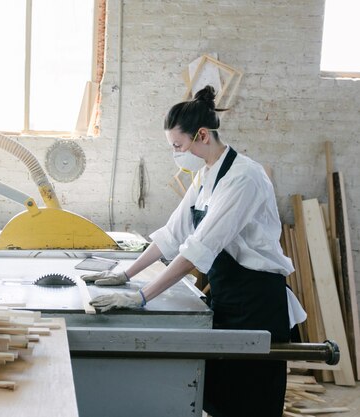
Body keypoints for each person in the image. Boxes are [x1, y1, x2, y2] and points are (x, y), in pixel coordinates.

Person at [82, 85, 306, 417]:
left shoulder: (244, 178)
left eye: (177, 145)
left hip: (257, 302)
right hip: (228, 296)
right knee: (219, 396)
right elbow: (173, 234)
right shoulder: (205, 176)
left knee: (250, 400)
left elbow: (200, 249)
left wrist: (141, 297)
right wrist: (124, 275)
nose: (176, 153)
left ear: (201, 135)